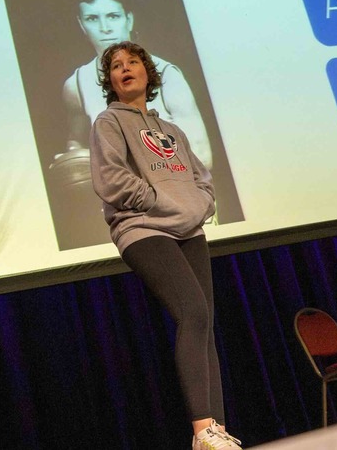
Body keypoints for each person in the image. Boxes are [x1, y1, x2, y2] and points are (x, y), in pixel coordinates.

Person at [89, 41, 240, 450]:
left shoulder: (172, 130)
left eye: (132, 62)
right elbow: (111, 179)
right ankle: (202, 431)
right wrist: (158, 201)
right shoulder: (108, 121)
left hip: (188, 230)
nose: (124, 69)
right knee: (191, 312)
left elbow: (202, 179)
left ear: (148, 74)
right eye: (116, 66)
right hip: (144, 229)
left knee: (204, 323)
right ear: (111, 82)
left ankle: (219, 431)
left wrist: (200, 204)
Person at [61, 0, 212, 169]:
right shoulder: (76, 85)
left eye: (113, 16)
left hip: (179, 196)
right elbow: (76, 144)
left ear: (129, 20)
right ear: (81, 24)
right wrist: (74, 160)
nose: (105, 29)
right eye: (92, 19)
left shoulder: (167, 76)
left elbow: (202, 157)